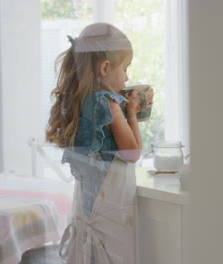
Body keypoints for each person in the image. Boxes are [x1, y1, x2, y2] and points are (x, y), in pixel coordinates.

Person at [45, 23, 154, 264]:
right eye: (125, 69)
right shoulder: (107, 102)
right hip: (110, 214)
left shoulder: (80, 101)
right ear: (105, 67)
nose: (127, 77)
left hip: (88, 207)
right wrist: (133, 112)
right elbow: (132, 153)